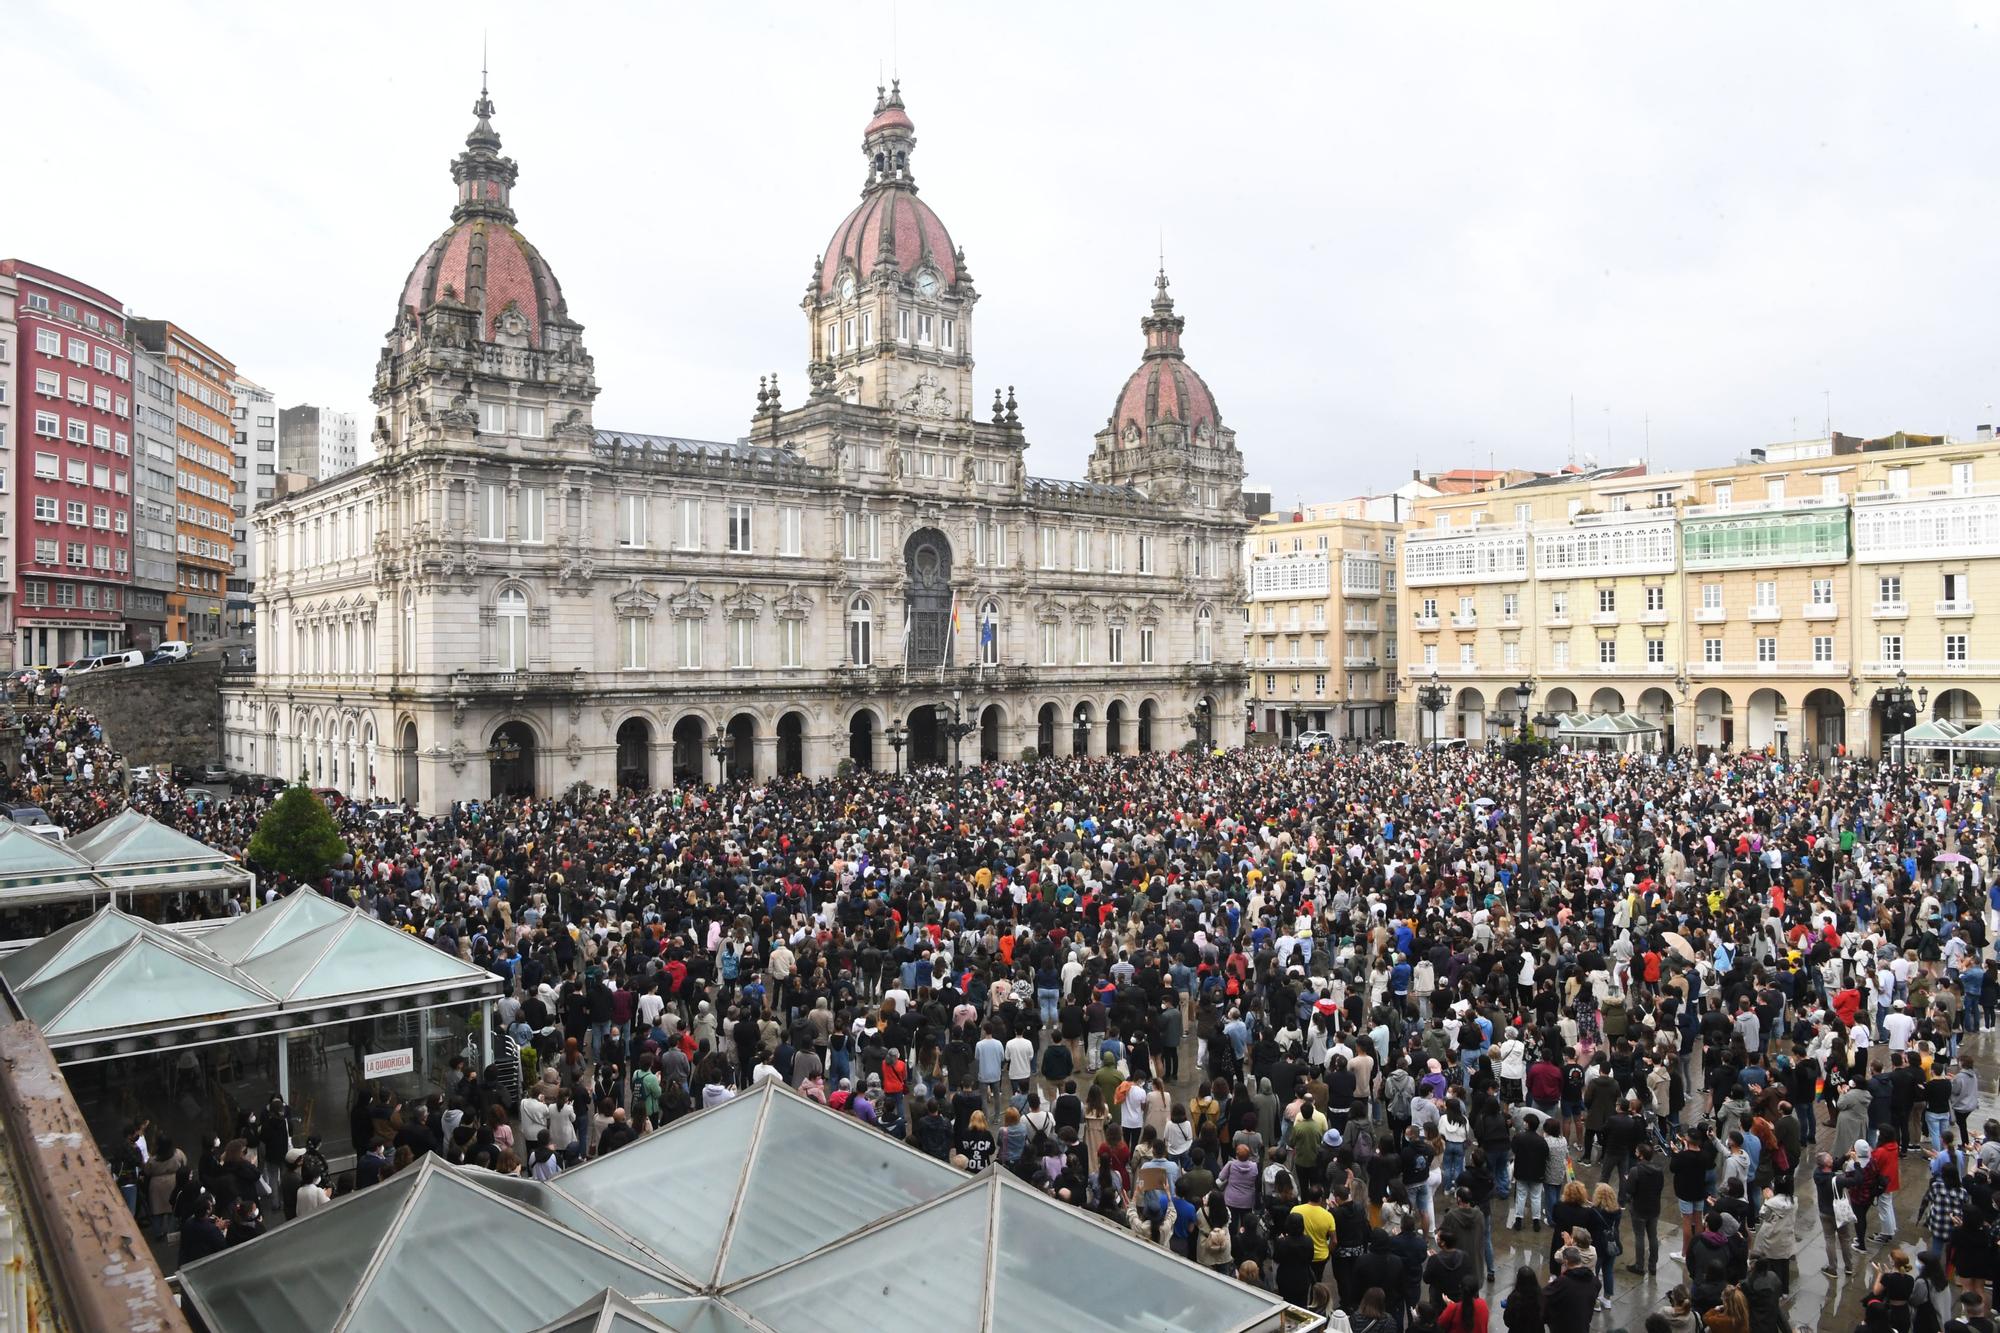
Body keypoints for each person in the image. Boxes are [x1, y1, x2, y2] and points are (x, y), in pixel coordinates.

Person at [1542, 1245, 1601, 1333]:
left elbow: (1544, 1296)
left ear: (1566, 1262)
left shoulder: (1563, 1282)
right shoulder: (1595, 1281)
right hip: (1583, 1326)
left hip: (1564, 1326)